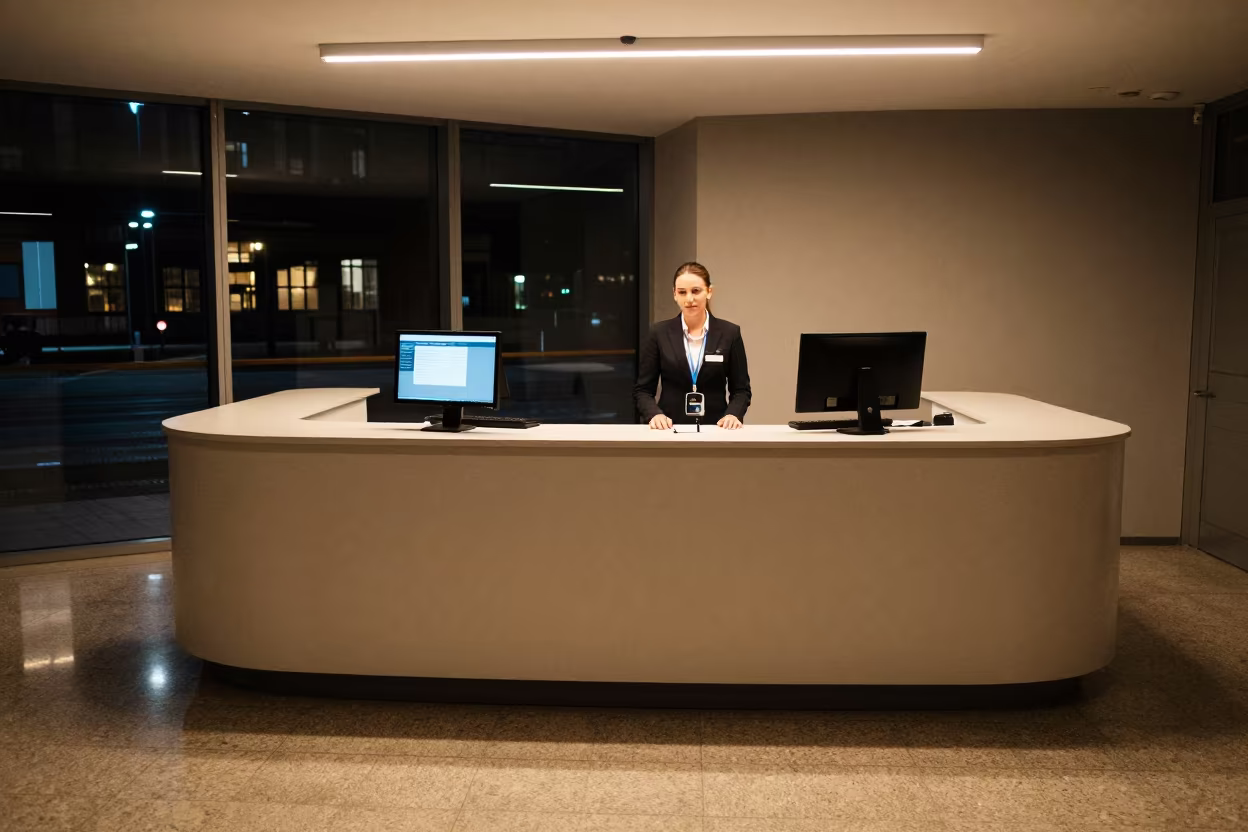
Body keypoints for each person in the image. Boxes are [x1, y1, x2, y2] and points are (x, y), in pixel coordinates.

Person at [634, 262, 751, 429]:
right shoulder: (658, 333)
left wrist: (733, 414)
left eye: (696, 291)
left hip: (716, 429)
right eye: (682, 292)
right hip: (670, 429)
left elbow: (741, 390)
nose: (689, 299)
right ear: (675, 294)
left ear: (709, 292)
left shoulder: (729, 333)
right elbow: (643, 391)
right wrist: (654, 414)